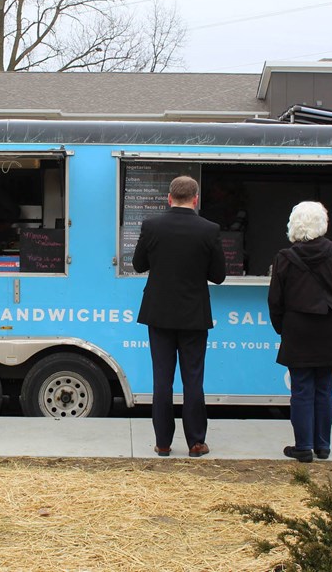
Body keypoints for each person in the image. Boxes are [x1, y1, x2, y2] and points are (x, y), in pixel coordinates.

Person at [132, 175, 226, 458]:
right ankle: (196, 442)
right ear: (195, 199)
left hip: (158, 313)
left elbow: (138, 265)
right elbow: (218, 276)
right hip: (194, 315)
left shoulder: (151, 226)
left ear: (169, 198)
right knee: (193, 380)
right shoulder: (209, 229)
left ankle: (163, 442)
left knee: (162, 380)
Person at [268, 201, 332, 462]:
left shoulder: (284, 258)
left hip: (298, 329)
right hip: (330, 327)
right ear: (323, 224)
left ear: (294, 225)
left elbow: (275, 301)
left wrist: (283, 328)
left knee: (302, 390)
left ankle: (303, 447)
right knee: (325, 389)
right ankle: (323, 446)